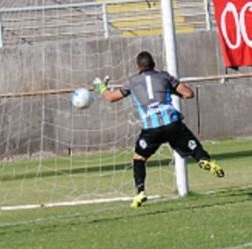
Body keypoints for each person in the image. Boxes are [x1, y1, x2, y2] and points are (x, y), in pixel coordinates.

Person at [94, 51, 224, 208]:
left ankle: (140, 192)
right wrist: (171, 89)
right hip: (172, 123)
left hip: (151, 129)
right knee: (195, 148)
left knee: (139, 159)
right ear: (153, 63)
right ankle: (205, 161)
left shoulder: (132, 81)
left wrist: (102, 88)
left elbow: (111, 97)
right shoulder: (164, 76)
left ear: (138, 66)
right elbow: (189, 94)